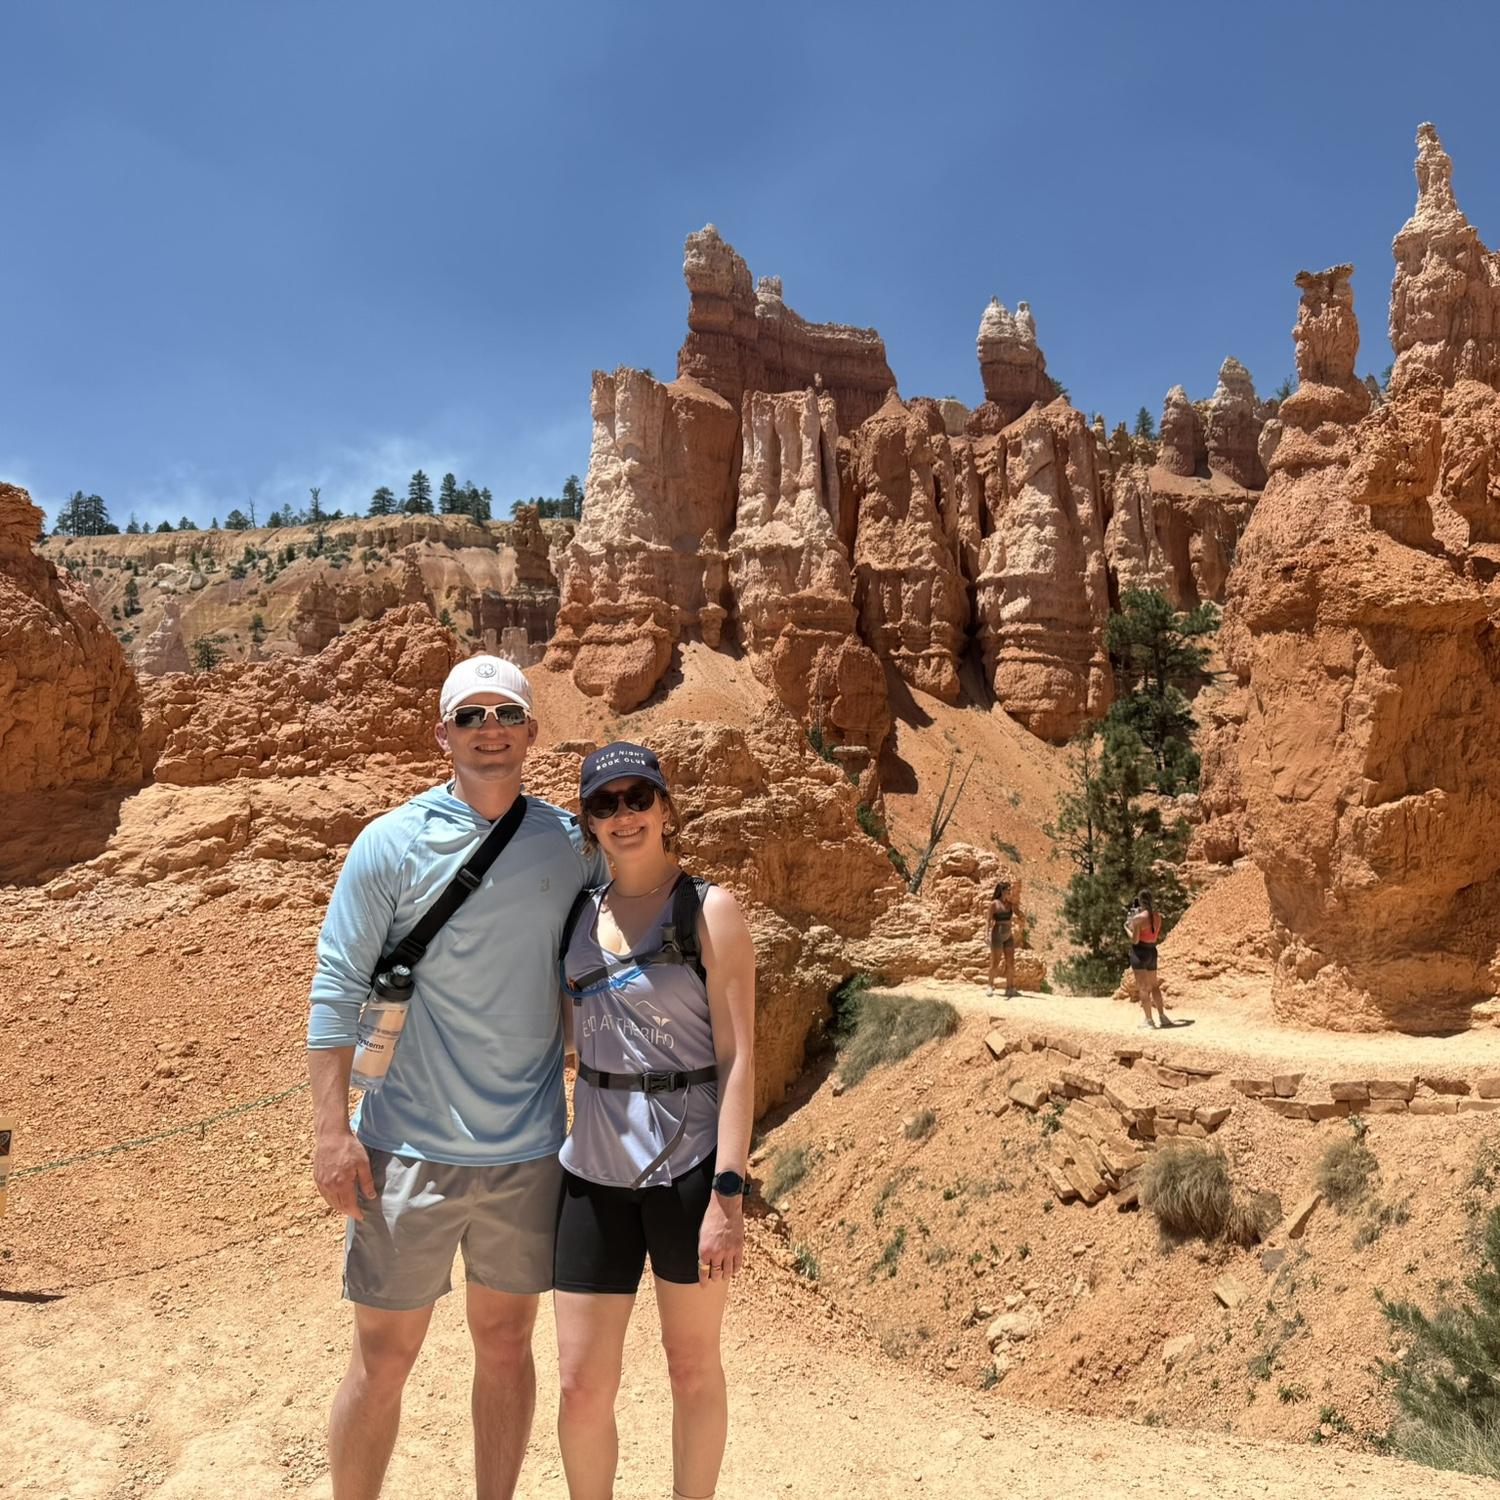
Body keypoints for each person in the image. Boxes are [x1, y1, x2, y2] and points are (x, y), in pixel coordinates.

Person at [306, 655, 605, 1500]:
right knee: (383, 1359)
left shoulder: (569, 845)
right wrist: (331, 1134)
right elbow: (335, 987)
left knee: (506, 1345)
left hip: (528, 1151)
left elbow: (609, 948)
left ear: (532, 730)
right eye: (469, 716)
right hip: (406, 1148)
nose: (488, 730)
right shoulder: (390, 844)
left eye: (504, 713)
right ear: (443, 734)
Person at [552, 742, 756, 1500]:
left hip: (688, 1174)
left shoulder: (709, 911)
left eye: (639, 797)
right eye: (605, 803)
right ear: (589, 822)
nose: (624, 815)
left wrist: (728, 1193)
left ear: (666, 808)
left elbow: (738, 1056)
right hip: (591, 1173)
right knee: (579, 1385)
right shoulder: (577, 916)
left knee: (691, 1367)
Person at [1125, 888, 1170, 1028]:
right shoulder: (1157, 917)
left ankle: (1149, 1020)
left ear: (1140, 901)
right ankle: (1162, 1017)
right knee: (1154, 985)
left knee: (1143, 988)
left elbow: (1135, 940)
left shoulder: (1138, 919)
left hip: (1140, 952)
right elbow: (1152, 934)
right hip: (1152, 951)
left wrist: (1127, 927)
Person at [985, 880, 1024, 998]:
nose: (1009, 891)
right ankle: (990, 985)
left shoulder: (1010, 904)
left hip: (1008, 935)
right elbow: (988, 920)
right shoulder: (994, 904)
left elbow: (1018, 914)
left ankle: (1010, 987)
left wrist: (1021, 914)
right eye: (1007, 889)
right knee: (995, 963)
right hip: (997, 935)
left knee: (1010, 962)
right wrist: (986, 934)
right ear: (1002, 891)